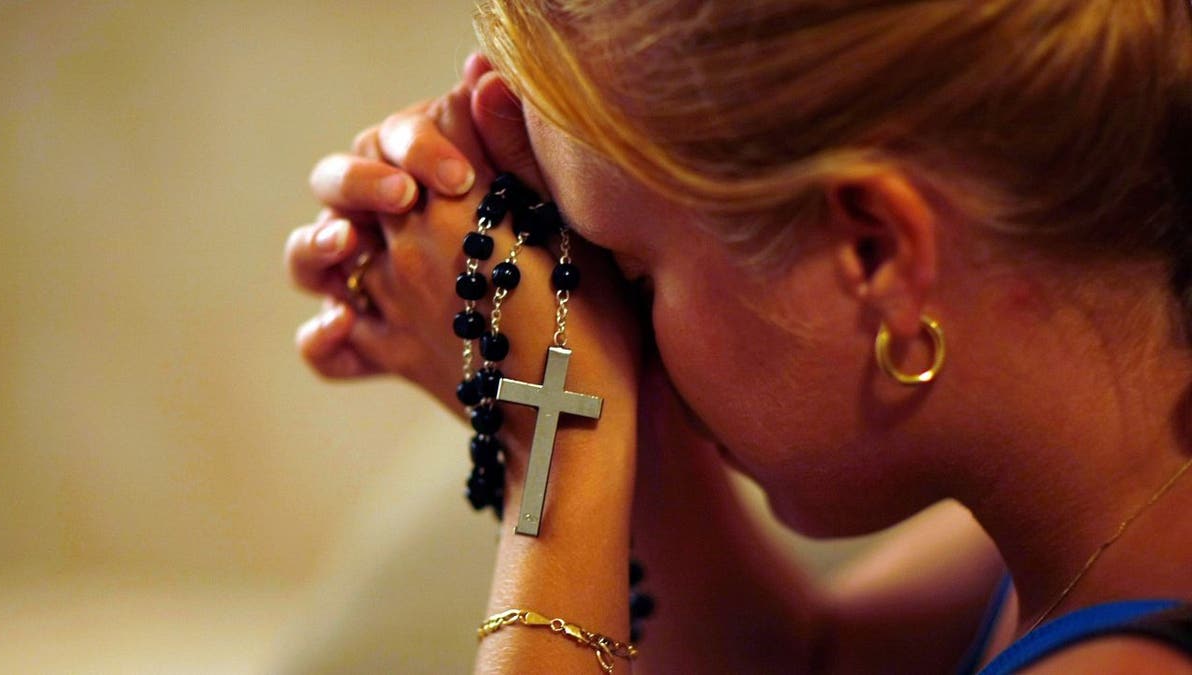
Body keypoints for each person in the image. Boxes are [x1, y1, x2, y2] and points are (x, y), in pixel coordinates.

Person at [285, 1, 1192, 672]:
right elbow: (799, 664)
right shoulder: (1116, 498)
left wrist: (552, 445)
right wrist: (579, 343)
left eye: (634, 274)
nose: (618, 314)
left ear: (875, 252)